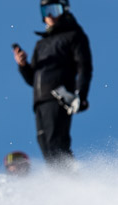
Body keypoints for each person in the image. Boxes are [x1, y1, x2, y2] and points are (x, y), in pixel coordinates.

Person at [13, 0, 92, 169]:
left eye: (54, 10)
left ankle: (73, 184)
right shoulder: (41, 44)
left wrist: (81, 95)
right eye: (45, 11)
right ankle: (61, 185)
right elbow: (32, 79)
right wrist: (23, 65)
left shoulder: (74, 35)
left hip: (59, 96)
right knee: (45, 145)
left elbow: (85, 67)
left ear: (64, 11)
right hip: (40, 100)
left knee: (56, 143)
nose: (49, 15)